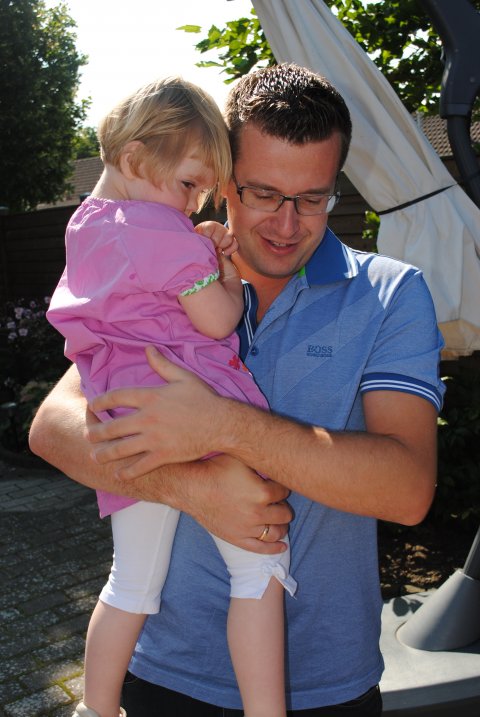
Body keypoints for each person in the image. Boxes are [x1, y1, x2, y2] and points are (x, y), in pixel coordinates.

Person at [30, 63, 445, 716]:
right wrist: (193, 487)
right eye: (263, 193)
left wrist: (223, 426)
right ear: (222, 179)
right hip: (162, 675)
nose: (287, 223)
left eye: (312, 198)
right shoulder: (153, 279)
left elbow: (408, 489)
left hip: (327, 685)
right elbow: (53, 428)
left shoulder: (392, 294)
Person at [45, 76, 296, 717]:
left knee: (130, 582)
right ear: (135, 158)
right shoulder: (160, 227)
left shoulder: (83, 228)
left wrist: (192, 250)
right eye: (188, 185)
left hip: (128, 422)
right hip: (193, 411)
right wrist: (227, 273)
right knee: (260, 567)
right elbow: (215, 320)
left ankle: (96, 709)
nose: (190, 205)